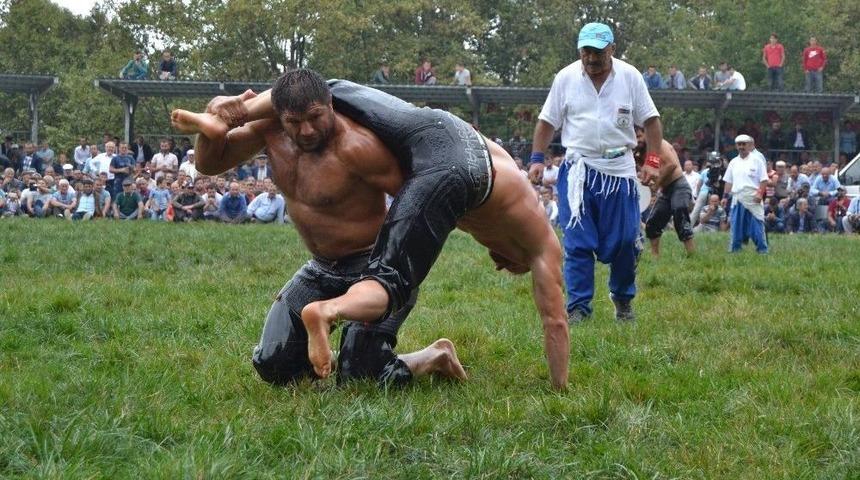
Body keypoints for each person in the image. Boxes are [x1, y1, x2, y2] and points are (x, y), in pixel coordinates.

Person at [170, 69, 568, 389]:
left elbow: (422, 208)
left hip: (371, 264)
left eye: (314, 118)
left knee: (359, 376)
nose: (306, 131)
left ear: (329, 107)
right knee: (272, 366)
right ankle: (334, 333)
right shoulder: (269, 131)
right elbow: (208, 164)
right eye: (295, 121)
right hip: (321, 267)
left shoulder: (359, 147)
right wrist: (214, 125)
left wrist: (408, 268)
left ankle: (430, 357)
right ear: (280, 117)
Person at [528, 22, 663, 325]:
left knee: (627, 241)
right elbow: (547, 122)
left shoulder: (630, 77)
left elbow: (651, 122)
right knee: (577, 243)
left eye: (598, 52)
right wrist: (537, 158)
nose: (591, 58)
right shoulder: (565, 78)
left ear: (612, 50)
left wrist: (653, 160)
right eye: (586, 51)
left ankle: (623, 299)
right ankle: (578, 307)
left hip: (620, 172)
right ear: (580, 50)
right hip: (578, 171)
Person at [636, 127, 695, 257]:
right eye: (635, 138)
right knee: (653, 223)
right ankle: (655, 257)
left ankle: (692, 255)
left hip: (679, 185)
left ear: (646, 134)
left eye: (639, 136)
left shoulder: (658, 143)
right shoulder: (639, 152)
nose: (637, 140)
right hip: (665, 189)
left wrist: (655, 186)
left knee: (680, 211)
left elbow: (671, 164)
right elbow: (648, 172)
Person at [722, 134, 768, 253]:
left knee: (757, 225)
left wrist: (759, 194)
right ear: (736, 146)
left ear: (749, 145)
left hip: (753, 197)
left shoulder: (757, 160)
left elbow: (764, 180)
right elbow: (728, 181)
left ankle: (762, 250)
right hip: (737, 197)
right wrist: (725, 197)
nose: (741, 147)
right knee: (736, 225)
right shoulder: (733, 162)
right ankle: (735, 250)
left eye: (744, 144)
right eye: (739, 144)